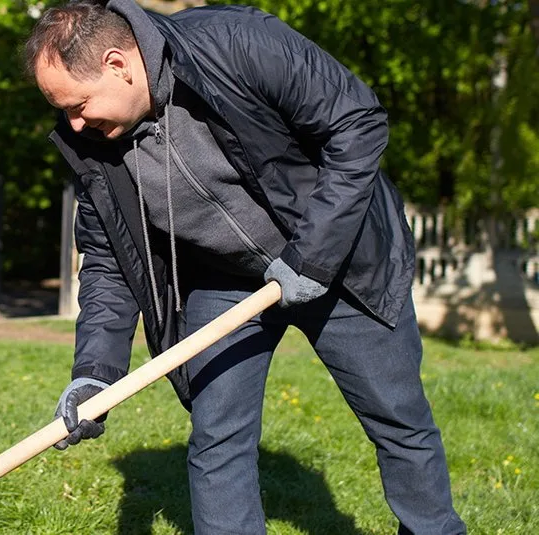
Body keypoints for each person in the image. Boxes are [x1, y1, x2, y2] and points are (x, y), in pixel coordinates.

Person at [23, 1, 466, 533]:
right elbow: (107, 260)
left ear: (118, 65)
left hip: (337, 254)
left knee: (398, 419)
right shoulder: (89, 138)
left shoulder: (235, 42)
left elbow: (357, 124)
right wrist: (93, 375)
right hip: (225, 276)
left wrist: (312, 254)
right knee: (217, 438)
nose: (72, 122)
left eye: (79, 104)